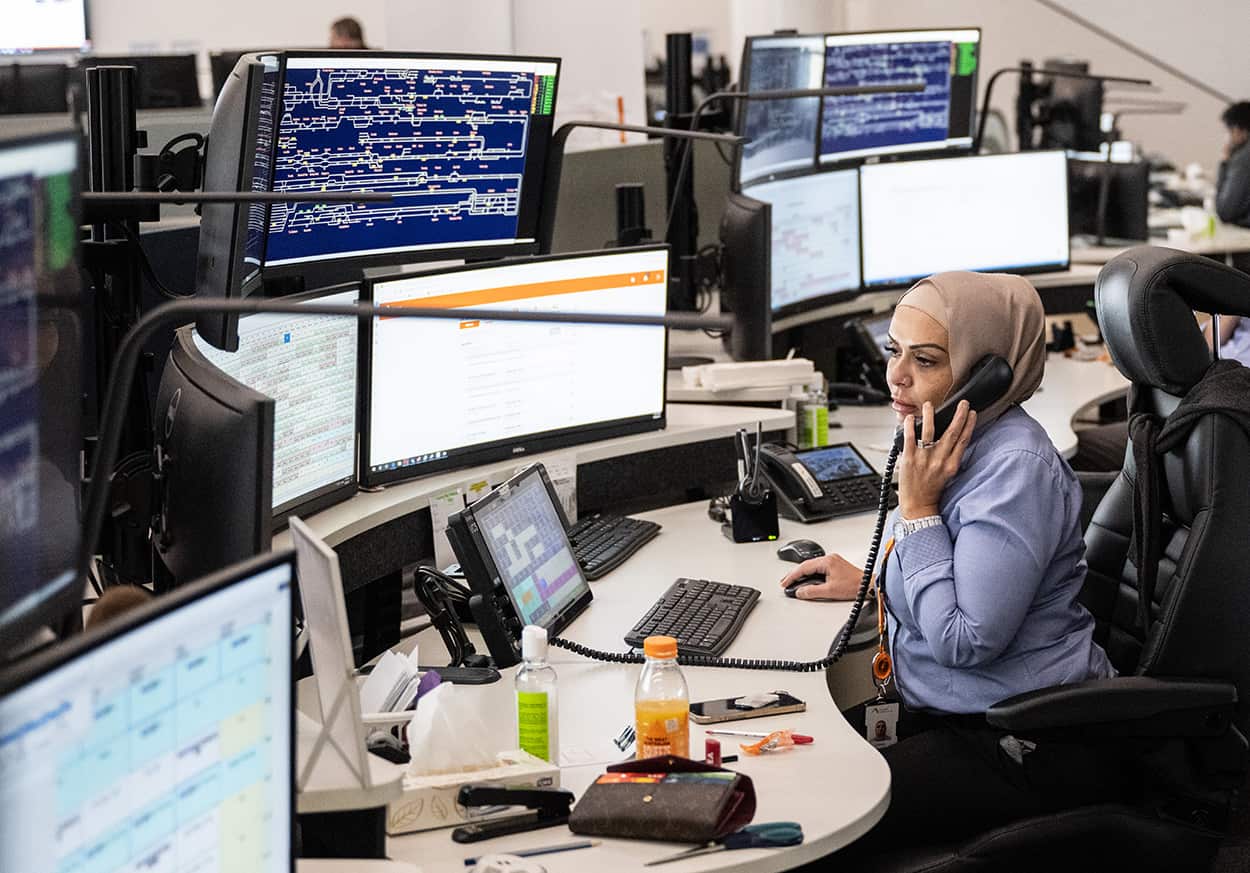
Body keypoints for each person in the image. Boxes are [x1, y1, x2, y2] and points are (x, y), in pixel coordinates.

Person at [782, 272, 1124, 863]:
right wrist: (874, 582)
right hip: (947, 712)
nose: (897, 375)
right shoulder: (942, 441)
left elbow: (965, 640)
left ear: (987, 373)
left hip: (1023, 739)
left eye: (927, 360)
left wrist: (916, 511)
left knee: (812, 820)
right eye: (894, 351)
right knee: (787, 763)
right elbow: (954, 572)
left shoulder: (1014, 469)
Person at [1215, 101, 1250, 229]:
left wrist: (1224, 163)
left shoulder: (1243, 159)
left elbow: (1225, 212)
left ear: (1238, 130)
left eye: (1228, 131)